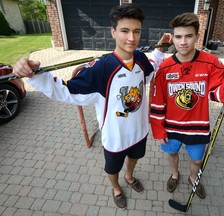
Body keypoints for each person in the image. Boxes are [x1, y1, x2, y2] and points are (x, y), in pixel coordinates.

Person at [13, 3, 171, 209]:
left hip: (140, 131)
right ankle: (116, 188)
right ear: (113, 32)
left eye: (136, 31)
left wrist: (160, 48)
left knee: (135, 158)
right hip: (115, 137)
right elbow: (66, 91)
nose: (131, 38)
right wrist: (34, 75)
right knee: (112, 168)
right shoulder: (101, 68)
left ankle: (130, 177)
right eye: (125, 31)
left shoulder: (140, 58)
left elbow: (150, 72)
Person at [149, 12, 224, 199]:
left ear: (197, 36)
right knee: (172, 154)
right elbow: (157, 101)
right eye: (178, 37)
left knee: (197, 159)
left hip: (198, 128)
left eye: (188, 36)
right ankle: (175, 174)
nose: (183, 42)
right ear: (173, 38)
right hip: (171, 127)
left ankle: (193, 178)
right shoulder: (165, 67)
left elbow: (222, 96)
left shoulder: (211, 63)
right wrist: (158, 129)